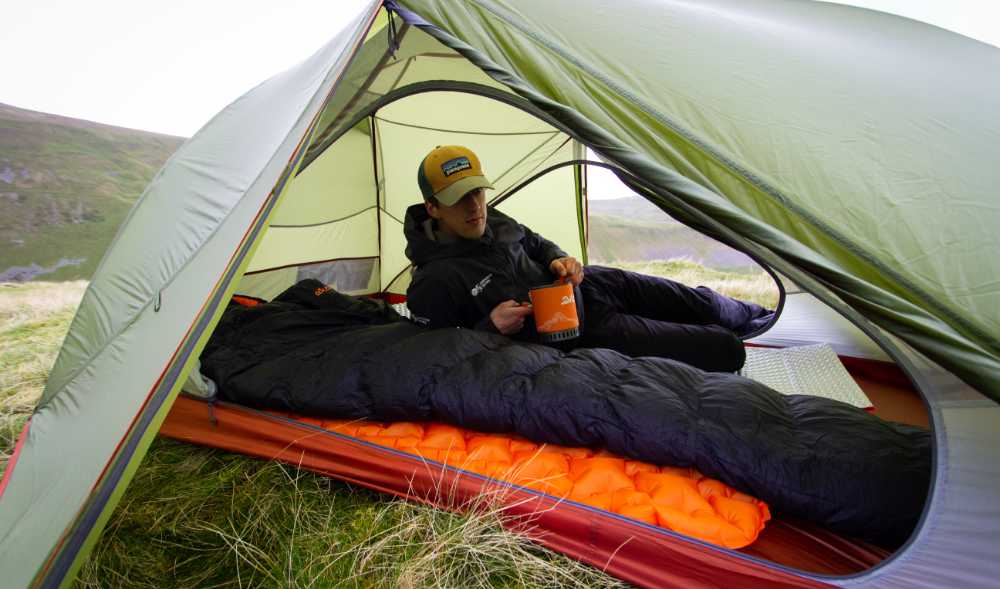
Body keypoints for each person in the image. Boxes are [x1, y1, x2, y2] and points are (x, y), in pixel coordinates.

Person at [403, 145, 773, 372]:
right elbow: (435, 356)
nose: (475, 206)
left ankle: (757, 316)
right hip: (582, 331)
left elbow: (534, 241)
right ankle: (735, 336)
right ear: (433, 207)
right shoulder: (432, 281)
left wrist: (559, 259)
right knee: (723, 349)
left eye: (478, 192)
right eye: (459, 198)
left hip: (590, 285)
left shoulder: (493, 219)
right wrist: (489, 327)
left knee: (698, 301)